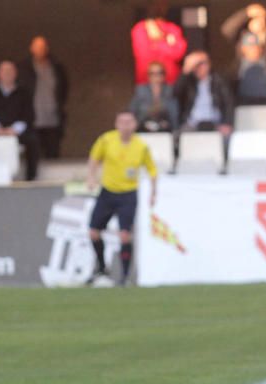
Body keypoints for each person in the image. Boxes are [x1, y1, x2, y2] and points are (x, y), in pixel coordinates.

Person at [85, 111, 157, 286]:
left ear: (134, 125)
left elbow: (152, 170)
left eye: (129, 122)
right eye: (121, 122)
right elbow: (94, 159)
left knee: (125, 235)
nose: (125, 126)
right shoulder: (106, 140)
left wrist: (154, 192)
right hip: (107, 192)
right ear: (116, 124)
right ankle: (102, 267)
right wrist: (91, 177)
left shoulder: (141, 146)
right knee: (94, 232)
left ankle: (125, 277)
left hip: (128, 194)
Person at [0, 61, 41, 181]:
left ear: (15, 74)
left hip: (17, 131)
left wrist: (14, 130)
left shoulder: (23, 92)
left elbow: (29, 115)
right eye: (4, 71)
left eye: (10, 71)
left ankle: (31, 177)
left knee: (33, 140)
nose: (7, 74)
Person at [221, 3, 266, 102]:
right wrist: (247, 13)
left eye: (261, 18)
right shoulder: (243, 35)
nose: (259, 21)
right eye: (255, 19)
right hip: (244, 85)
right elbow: (227, 30)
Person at [17, 35, 70, 159]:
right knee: (32, 155)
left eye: (42, 47)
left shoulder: (56, 68)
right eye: (37, 47)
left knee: (52, 151)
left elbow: (63, 90)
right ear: (31, 49)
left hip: (52, 118)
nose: (39, 50)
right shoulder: (24, 68)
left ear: (47, 49)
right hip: (31, 118)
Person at [173, 51, 234, 136]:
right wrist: (186, 69)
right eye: (195, 65)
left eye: (201, 64)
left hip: (215, 123)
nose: (198, 68)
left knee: (228, 138)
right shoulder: (188, 82)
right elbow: (175, 94)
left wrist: (227, 123)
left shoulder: (219, 81)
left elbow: (228, 103)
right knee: (179, 137)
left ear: (209, 64)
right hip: (192, 123)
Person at [131, 0, 187, 85]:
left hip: (171, 82)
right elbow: (144, 54)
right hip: (146, 83)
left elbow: (178, 53)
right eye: (155, 3)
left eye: (162, 4)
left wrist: (158, 42)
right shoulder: (140, 29)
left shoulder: (173, 29)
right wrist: (167, 45)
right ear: (149, 6)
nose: (159, 7)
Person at [233, 32, 266, 106]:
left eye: (256, 46)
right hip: (244, 105)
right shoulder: (236, 68)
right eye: (250, 46)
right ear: (243, 48)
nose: (254, 49)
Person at [130, 62, 178, 132]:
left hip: (165, 128)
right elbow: (133, 110)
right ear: (148, 76)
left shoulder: (170, 90)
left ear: (164, 75)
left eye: (159, 73)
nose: (156, 76)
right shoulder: (141, 90)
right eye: (152, 73)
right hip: (143, 127)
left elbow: (173, 112)